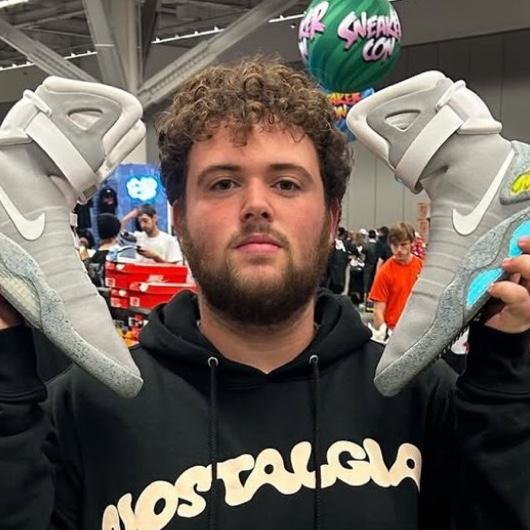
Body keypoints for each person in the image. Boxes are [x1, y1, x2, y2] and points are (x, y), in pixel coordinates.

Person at [0, 57, 529, 530]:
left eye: (286, 183)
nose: (256, 205)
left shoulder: (421, 397)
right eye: (223, 183)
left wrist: (508, 363)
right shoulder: (83, 409)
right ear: (179, 220)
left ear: (332, 218)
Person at [369, 222, 423, 333]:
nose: (399, 249)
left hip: (418, 329)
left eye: (403, 245)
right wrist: (384, 333)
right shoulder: (384, 272)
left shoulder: (422, 267)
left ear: (412, 243)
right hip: (393, 330)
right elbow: (378, 311)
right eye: (395, 245)